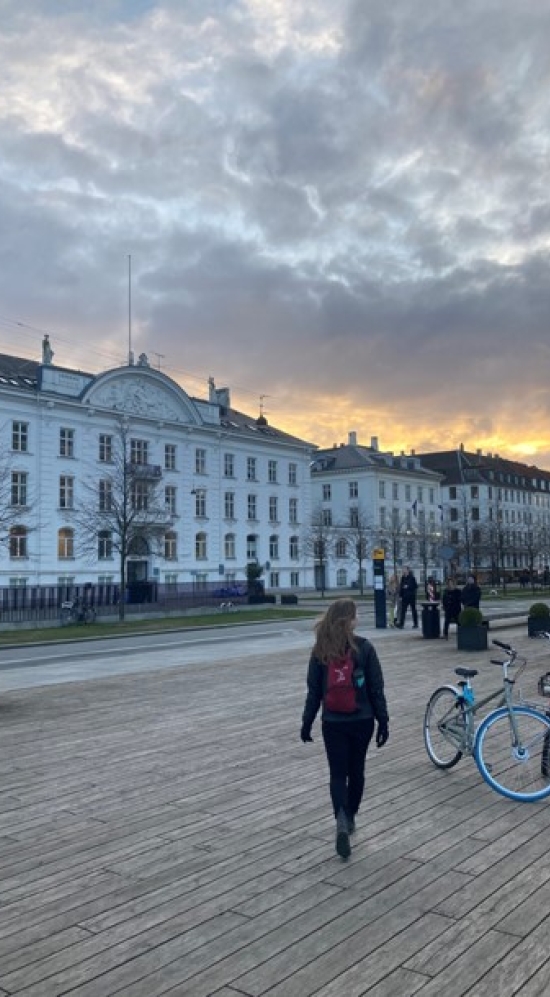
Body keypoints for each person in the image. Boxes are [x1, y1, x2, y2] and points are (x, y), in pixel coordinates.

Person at [300, 598, 389, 860]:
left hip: (333, 722)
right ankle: (350, 817)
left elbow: (314, 691)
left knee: (337, 774)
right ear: (349, 619)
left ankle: (339, 817)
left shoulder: (321, 649)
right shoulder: (365, 647)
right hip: (362, 720)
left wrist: (307, 722)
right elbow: (376, 688)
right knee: (356, 770)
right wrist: (383, 720)